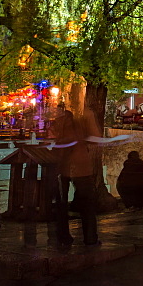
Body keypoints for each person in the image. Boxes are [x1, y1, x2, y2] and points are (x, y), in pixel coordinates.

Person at [50, 104, 101, 247]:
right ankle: (90, 238)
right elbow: (95, 137)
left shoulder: (57, 122)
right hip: (80, 165)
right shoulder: (82, 118)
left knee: (61, 203)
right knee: (87, 203)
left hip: (60, 164)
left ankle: (63, 237)